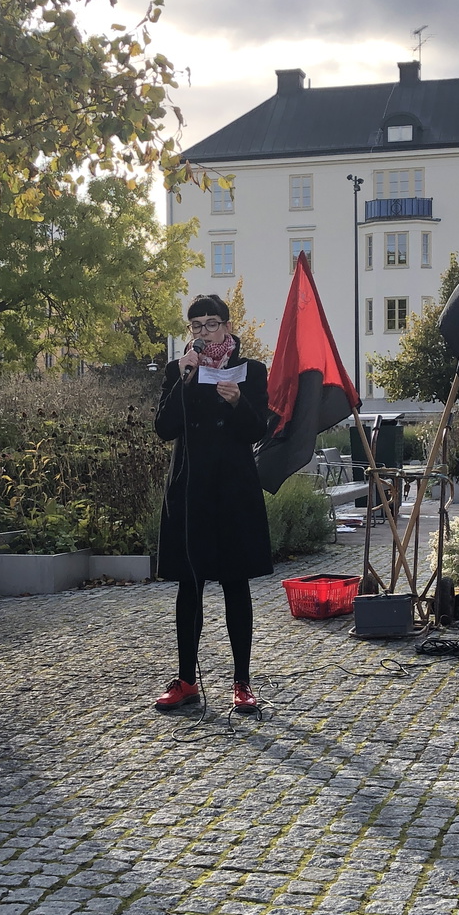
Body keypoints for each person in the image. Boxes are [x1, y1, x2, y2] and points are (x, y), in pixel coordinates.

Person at [152, 294, 274, 714]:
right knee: (190, 584)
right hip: (190, 491)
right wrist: (184, 380)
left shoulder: (251, 371)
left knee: (235, 585)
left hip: (233, 491)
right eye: (196, 325)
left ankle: (242, 682)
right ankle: (187, 680)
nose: (203, 332)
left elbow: (260, 429)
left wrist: (238, 402)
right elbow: (163, 428)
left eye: (210, 323)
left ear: (227, 326)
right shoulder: (179, 369)